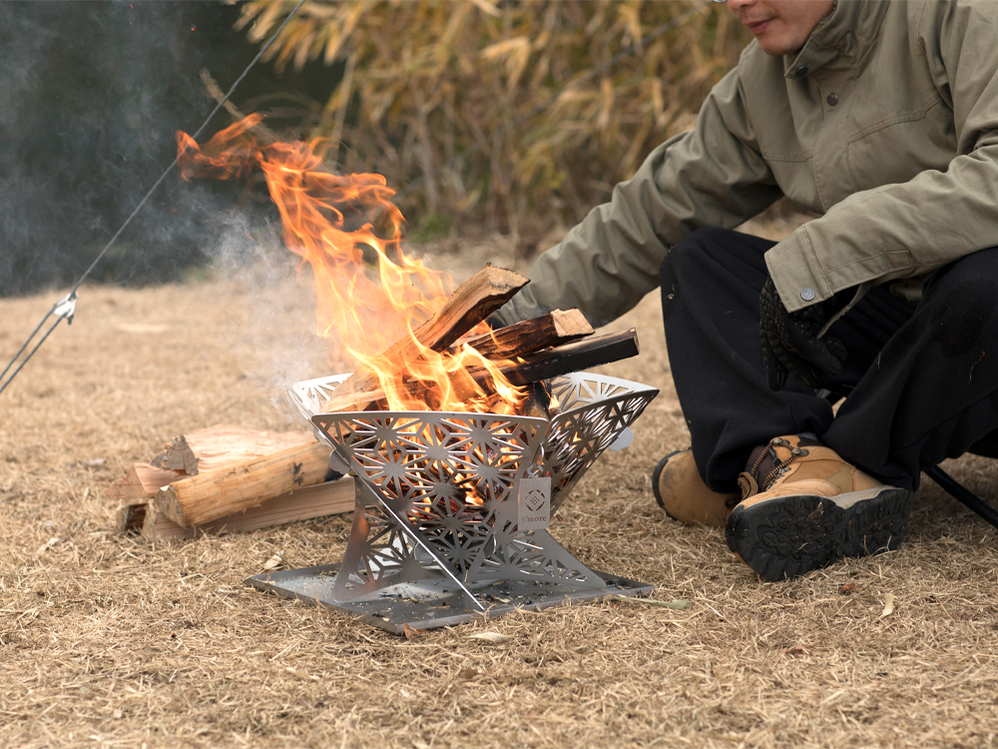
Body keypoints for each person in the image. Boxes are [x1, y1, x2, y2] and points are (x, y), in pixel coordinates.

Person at [490, 0, 998, 581]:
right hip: (906, 327)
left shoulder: (964, 13)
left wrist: (826, 253)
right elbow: (654, 212)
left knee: (986, 280)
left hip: (982, 337)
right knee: (700, 261)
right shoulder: (767, 77)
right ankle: (779, 461)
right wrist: (499, 329)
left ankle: (847, 465)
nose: (736, 2)